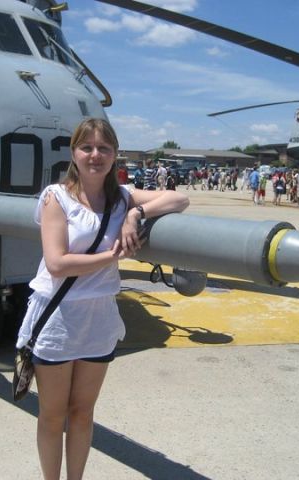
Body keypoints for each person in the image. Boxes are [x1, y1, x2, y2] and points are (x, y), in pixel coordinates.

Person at [16, 118, 189, 480]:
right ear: (74, 153)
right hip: (59, 319)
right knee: (52, 414)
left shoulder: (121, 197)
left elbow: (180, 198)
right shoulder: (56, 197)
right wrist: (113, 257)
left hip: (98, 320)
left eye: (104, 149)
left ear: (114, 156)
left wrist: (135, 213)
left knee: (82, 412)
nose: (95, 155)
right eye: (87, 147)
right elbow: (58, 263)